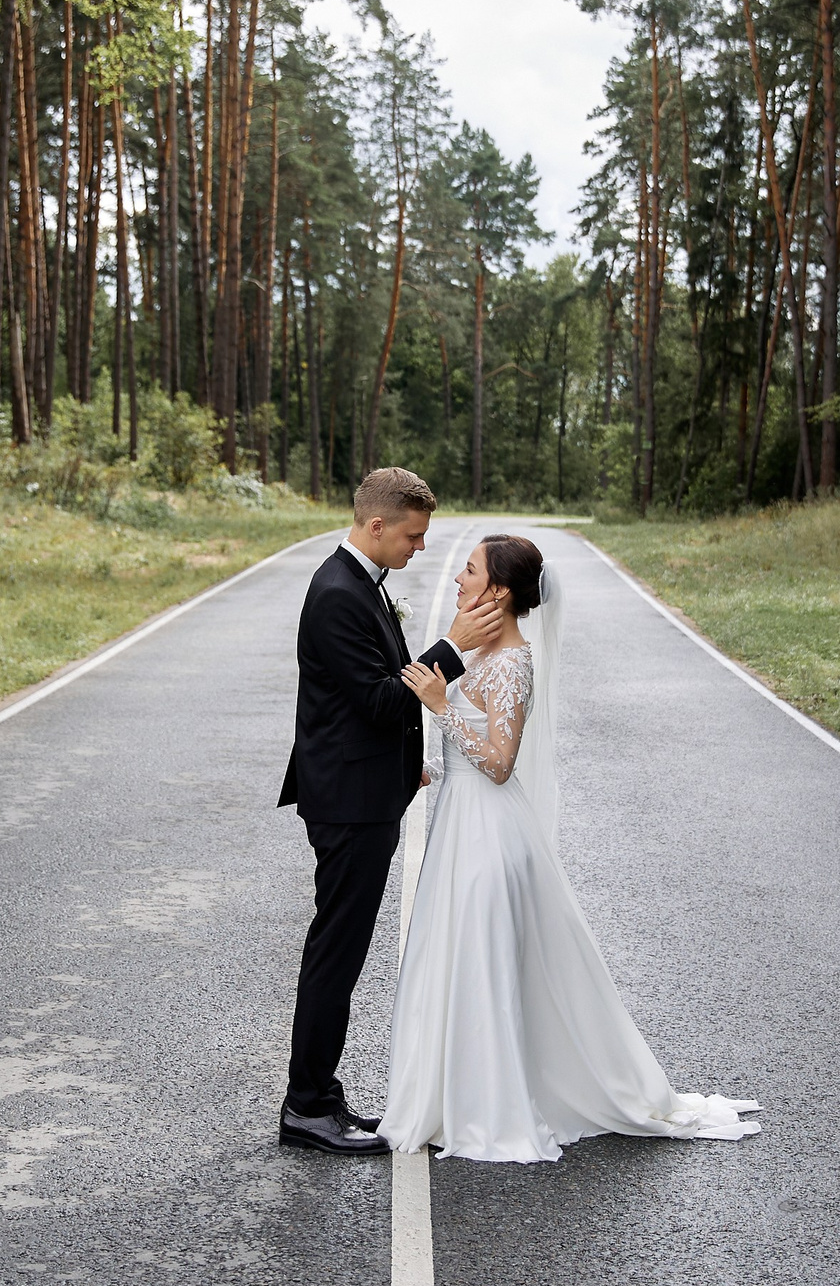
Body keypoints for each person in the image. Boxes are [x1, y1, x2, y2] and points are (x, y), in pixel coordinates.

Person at [383, 532, 761, 1163]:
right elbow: (468, 750)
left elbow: (501, 764)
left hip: (490, 835)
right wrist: (430, 756)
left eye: (468, 571)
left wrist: (442, 706)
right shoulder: (482, 657)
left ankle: (491, 1102)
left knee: (485, 961)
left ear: (498, 591)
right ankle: (455, 1093)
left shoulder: (512, 664)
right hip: (462, 822)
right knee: (461, 956)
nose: (457, 579)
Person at [276, 468, 495, 1155]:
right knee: (334, 955)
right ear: (376, 525)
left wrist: (410, 762)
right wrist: (453, 646)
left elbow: (365, 701)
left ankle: (324, 1094)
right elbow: (378, 699)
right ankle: (305, 1106)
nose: (421, 547)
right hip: (347, 803)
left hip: (362, 789)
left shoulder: (355, 582)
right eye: (413, 534)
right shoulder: (338, 593)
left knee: (340, 952)